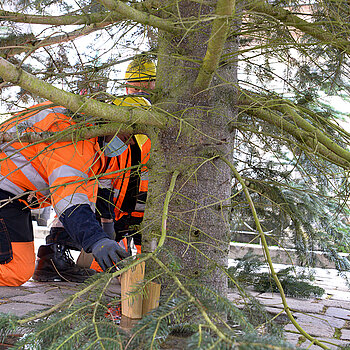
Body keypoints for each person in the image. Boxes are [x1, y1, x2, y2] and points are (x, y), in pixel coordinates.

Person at [0, 101, 129, 286]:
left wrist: (103, 232)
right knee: (15, 271)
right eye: (126, 136)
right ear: (112, 121)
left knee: (85, 185)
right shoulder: (71, 134)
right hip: (6, 192)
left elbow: (79, 194)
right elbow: (69, 198)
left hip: (15, 197)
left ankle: (54, 256)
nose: (127, 142)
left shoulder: (92, 143)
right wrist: (96, 240)